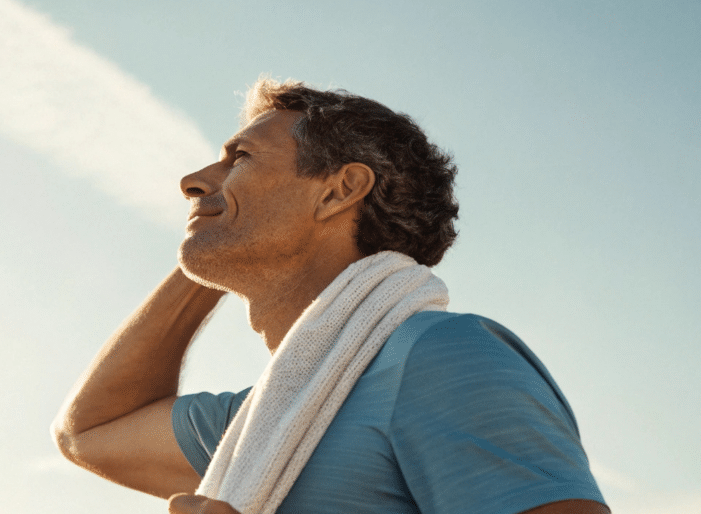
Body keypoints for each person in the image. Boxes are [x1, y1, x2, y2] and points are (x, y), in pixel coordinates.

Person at [51, 78, 610, 514]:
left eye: (239, 157)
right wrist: (212, 239)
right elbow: (92, 432)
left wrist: (222, 225)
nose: (193, 178)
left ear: (340, 190)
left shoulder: (436, 355)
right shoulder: (268, 423)